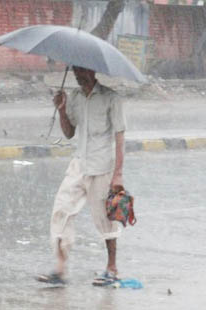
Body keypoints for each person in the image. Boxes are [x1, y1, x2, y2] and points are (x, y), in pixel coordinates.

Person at [37, 66, 127, 286]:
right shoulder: (76, 97)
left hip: (102, 166)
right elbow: (69, 133)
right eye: (75, 70)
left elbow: (120, 136)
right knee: (62, 209)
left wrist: (118, 175)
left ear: (93, 70)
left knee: (106, 219)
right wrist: (61, 109)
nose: (78, 74)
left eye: (82, 70)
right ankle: (59, 270)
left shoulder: (111, 99)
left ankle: (112, 268)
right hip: (79, 164)